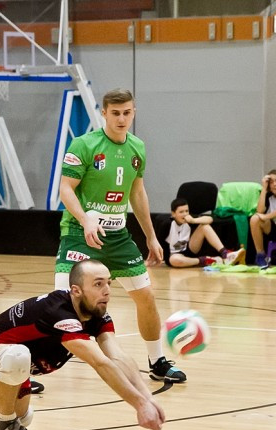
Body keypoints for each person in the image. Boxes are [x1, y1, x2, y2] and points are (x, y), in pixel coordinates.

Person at [0, 259, 165, 430]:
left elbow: (117, 356)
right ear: (76, 290)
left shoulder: (94, 312)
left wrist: (147, 397)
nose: (107, 291)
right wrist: (139, 405)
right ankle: (6, 429)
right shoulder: (58, 313)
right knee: (18, 356)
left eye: (109, 283)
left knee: (22, 415)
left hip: (6, 364)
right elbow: (100, 363)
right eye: (98, 284)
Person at [55, 88, 186, 383]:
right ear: (104, 113)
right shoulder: (84, 145)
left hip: (118, 236)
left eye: (127, 112)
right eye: (115, 113)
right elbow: (65, 189)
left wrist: (151, 237)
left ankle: (157, 361)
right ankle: (26, 368)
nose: (121, 118)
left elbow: (137, 193)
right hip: (80, 233)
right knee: (59, 304)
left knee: (147, 297)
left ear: (134, 112)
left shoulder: (137, 147)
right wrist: (85, 218)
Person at [164, 198, 245, 268]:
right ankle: (205, 260)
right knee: (174, 260)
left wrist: (193, 221)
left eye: (186, 211)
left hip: (190, 249)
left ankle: (225, 254)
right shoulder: (167, 224)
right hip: (175, 255)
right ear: (173, 214)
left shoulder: (189, 219)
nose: (185, 214)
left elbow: (210, 219)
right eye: (181, 212)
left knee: (204, 226)